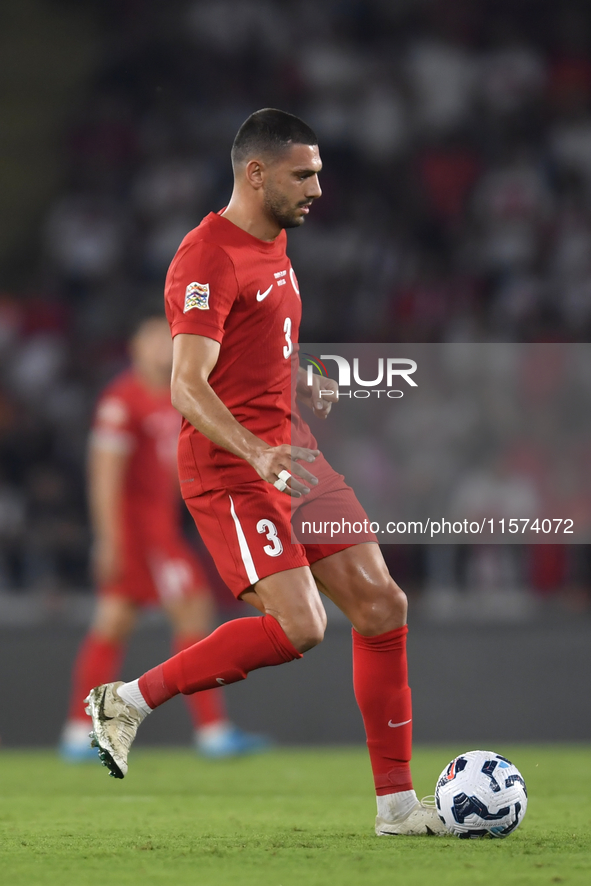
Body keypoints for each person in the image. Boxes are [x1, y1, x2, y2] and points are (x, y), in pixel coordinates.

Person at [85, 109, 446, 836]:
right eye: (303, 175)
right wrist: (253, 452)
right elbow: (187, 383)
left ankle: (397, 809)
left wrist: (304, 369)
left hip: (292, 448)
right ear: (256, 174)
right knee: (302, 625)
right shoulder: (204, 257)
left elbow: (261, 337)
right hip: (231, 466)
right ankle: (126, 700)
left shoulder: (275, 239)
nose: (317, 188)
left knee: (381, 604)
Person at [60, 313, 268, 759]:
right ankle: (212, 731)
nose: (162, 346)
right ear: (133, 347)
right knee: (190, 608)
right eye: (152, 338)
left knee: (115, 618)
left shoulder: (173, 399)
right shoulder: (123, 400)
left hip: (159, 527)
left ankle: (79, 732)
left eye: (166, 339)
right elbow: (104, 475)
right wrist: (109, 539)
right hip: (139, 532)